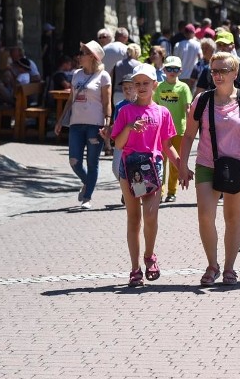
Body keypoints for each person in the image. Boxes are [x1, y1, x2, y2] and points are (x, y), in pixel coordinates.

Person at [178, 51, 240, 286]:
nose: (217, 75)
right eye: (213, 71)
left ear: (235, 73)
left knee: (232, 217)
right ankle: (212, 265)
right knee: (205, 216)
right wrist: (182, 165)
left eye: (223, 71)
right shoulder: (202, 100)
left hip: (239, 164)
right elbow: (188, 136)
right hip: (207, 163)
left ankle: (229, 268)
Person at [112, 63, 183, 287]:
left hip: (153, 168)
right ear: (132, 86)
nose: (141, 87)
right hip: (129, 169)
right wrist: (129, 127)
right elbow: (118, 144)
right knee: (134, 219)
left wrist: (181, 166)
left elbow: (167, 145)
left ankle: (150, 256)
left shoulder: (162, 112)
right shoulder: (125, 111)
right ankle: (135, 268)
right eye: (137, 84)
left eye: (145, 83)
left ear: (155, 85)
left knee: (151, 216)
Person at [54, 40, 112, 209]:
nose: (79, 56)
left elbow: (106, 102)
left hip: (95, 124)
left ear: (92, 57)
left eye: (83, 53)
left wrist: (107, 122)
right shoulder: (77, 74)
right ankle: (88, 183)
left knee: (92, 162)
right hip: (76, 124)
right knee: (74, 161)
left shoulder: (103, 76)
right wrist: (61, 120)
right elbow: (71, 99)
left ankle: (87, 197)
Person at [154, 56, 192, 203]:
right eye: (169, 68)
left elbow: (188, 109)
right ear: (164, 70)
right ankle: (160, 190)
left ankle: (172, 191)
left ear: (180, 71)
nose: (172, 72)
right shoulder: (159, 87)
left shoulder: (183, 88)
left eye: (175, 69)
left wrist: (191, 129)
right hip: (161, 132)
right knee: (160, 162)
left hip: (178, 131)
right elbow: (154, 107)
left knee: (176, 162)